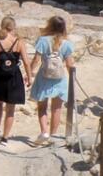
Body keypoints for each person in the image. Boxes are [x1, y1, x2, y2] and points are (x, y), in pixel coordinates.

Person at [29, 15, 75, 145]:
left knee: (42, 107)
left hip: (44, 77)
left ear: (50, 25)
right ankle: (53, 135)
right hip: (59, 79)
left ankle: (44, 132)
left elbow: (36, 59)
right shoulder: (67, 44)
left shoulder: (43, 40)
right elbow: (70, 64)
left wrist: (29, 73)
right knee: (57, 108)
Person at [0, 17, 31, 144]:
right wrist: (29, 77)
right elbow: (27, 62)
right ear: (14, 27)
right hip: (14, 77)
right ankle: (5, 137)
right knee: (10, 108)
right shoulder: (19, 42)